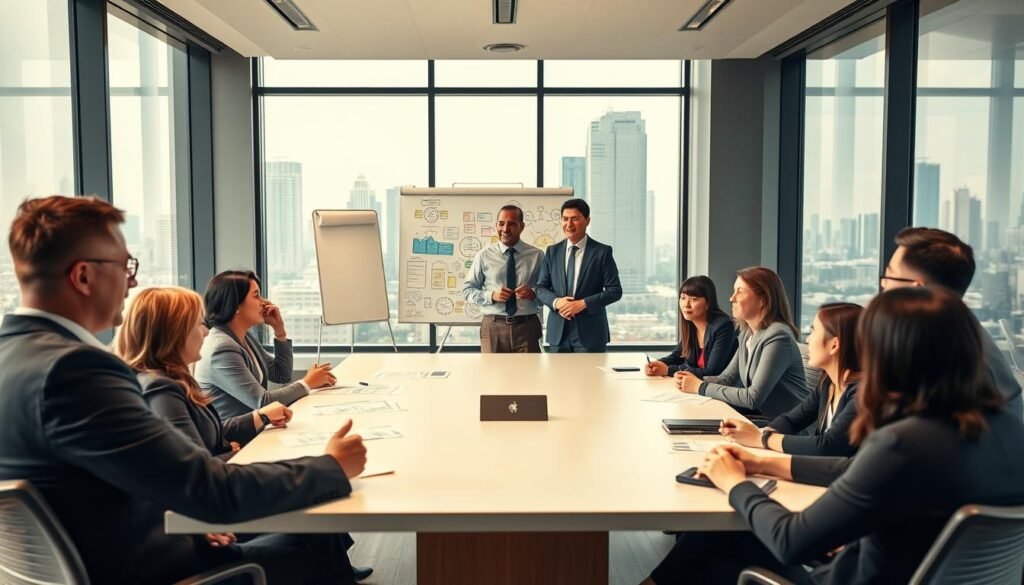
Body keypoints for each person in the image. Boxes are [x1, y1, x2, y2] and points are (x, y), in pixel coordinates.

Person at [0, 195, 367, 584]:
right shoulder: (76, 371)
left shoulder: (13, 356)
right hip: (155, 567)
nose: (133, 280)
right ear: (84, 276)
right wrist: (330, 467)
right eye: (126, 266)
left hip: (117, 555)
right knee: (310, 556)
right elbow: (208, 489)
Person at [643, 286, 1024, 585]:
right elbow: (856, 470)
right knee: (711, 539)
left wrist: (736, 483)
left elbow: (791, 541)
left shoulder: (905, 441)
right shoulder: (1005, 429)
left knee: (710, 558)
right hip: (898, 567)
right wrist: (764, 461)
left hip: (855, 577)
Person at [116, 286, 372, 583]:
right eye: (197, 323)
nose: (204, 330)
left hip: (203, 515)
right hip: (200, 534)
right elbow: (191, 473)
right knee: (309, 531)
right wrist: (231, 452)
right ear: (175, 332)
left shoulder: (172, 378)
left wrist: (256, 420)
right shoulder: (161, 389)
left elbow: (198, 439)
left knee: (313, 513)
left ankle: (340, 574)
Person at [880, 226, 1023, 419]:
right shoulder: (957, 334)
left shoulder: (955, 357)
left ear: (917, 291)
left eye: (889, 277)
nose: (883, 285)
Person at [720, 302, 863, 457]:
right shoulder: (828, 383)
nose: (807, 340)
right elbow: (792, 420)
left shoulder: (861, 394)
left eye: (813, 331)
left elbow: (826, 446)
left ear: (834, 345)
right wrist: (763, 433)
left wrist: (761, 439)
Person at [195, 270, 336, 419]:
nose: (264, 302)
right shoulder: (221, 349)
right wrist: (307, 382)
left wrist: (279, 331)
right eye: (256, 296)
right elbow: (263, 401)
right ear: (235, 304)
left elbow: (281, 374)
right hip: (236, 439)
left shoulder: (244, 336)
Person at [676, 267, 806, 419]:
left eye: (740, 291)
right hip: (764, 419)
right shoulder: (747, 333)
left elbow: (752, 398)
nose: (732, 298)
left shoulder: (778, 337)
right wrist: (688, 380)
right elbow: (727, 379)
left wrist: (699, 386)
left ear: (763, 300)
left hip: (788, 427)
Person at [535, 198, 623, 352]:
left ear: (587, 221)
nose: (569, 224)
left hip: (590, 332)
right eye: (565, 219)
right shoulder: (552, 252)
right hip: (558, 333)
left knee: (589, 376)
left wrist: (582, 304)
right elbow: (540, 288)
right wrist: (557, 302)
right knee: (558, 376)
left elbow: (614, 291)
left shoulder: (602, 252)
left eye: (575, 219)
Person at [462, 205, 544, 352]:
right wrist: (491, 295)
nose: (505, 229)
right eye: (501, 224)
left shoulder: (537, 255)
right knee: (493, 375)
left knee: (530, 375)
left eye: (512, 224)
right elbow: (467, 291)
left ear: (522, 226)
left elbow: (548, 290)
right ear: (496, 225)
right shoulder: (483, 255)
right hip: (493, 327)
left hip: (527, 327)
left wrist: (533, 293)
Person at [644, 275, 737, 379]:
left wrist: (668, 370)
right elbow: (678, 355)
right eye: (683, 298)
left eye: (694, 299)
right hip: (696, 389)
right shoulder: (691, 324)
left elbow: (712, 371)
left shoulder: (723, 326)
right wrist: (658, 364)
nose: (686, 304)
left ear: (708, 303)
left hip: (719, 390)